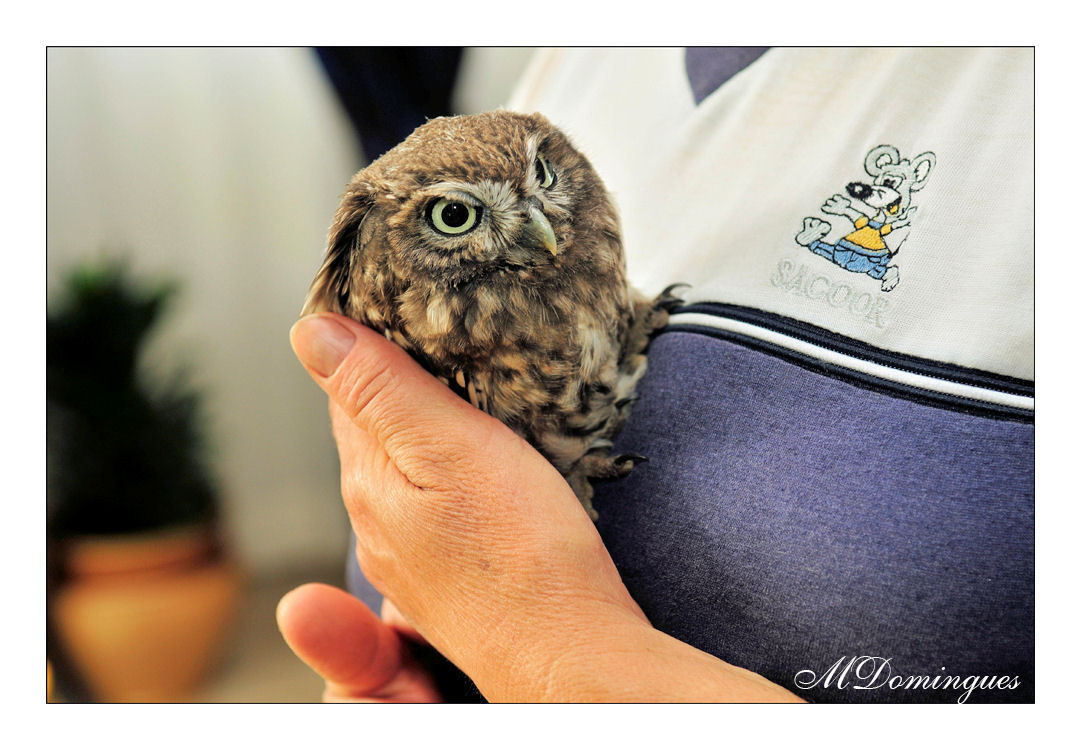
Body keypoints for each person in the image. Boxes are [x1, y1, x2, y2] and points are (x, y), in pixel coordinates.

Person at [278, 48, 1034, 702]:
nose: (539, 223)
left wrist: (544, 655)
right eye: (455, 217)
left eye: (544, 177)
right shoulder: (593, 49)